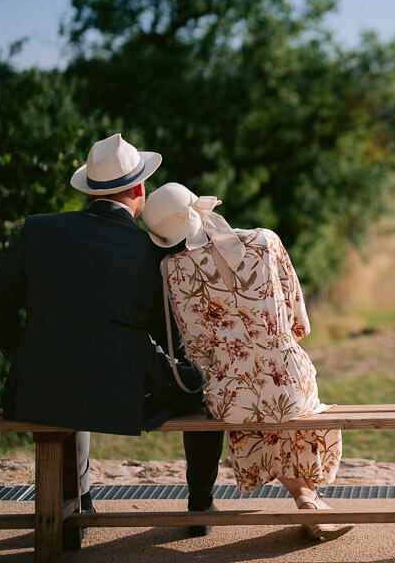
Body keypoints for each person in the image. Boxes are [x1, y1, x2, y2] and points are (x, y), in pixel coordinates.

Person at [0, 134, 224, 540]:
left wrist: (27, 356)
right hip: (122, 397)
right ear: (140, 189)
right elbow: (170, 340)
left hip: (40, 388)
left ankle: (81, 503)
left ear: (91, 191)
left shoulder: (38, 231)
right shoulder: (149, 250)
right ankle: (200, 504)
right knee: (199, 388)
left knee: (71, 384)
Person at [142, 182, 349, 541]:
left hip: (230, 389)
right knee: (281, 403)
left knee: (256, 408)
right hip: (288, 372)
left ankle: (306, 500)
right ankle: (308, 501)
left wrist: (236, 359)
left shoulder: (172, 270)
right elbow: (299, 319)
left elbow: (196, 349)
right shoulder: (265, 240)